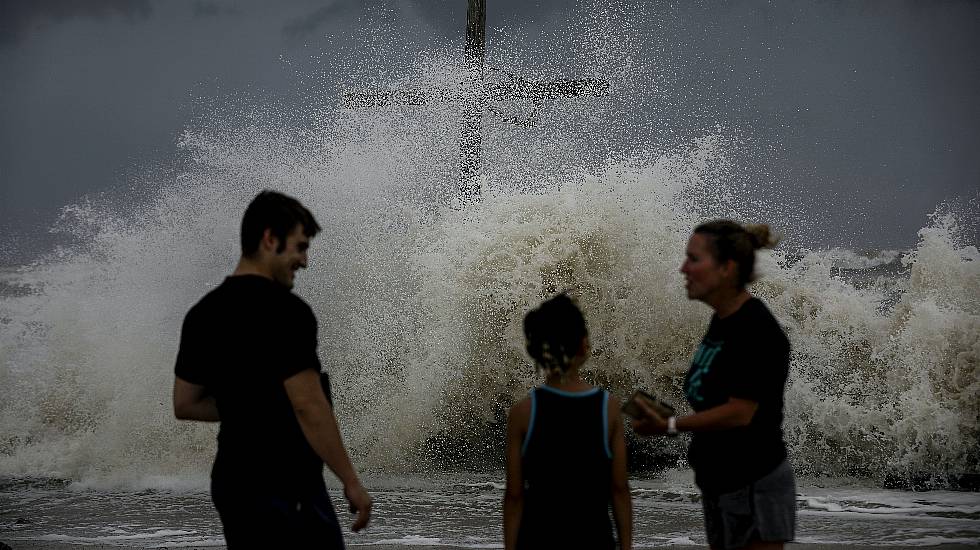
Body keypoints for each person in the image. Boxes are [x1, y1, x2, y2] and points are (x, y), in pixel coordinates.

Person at [172, 190, 371, 549]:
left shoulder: (203, 313)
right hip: (286, 484)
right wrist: (351, 482)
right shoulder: (287, 313)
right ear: (270, 239)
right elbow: (309, 406)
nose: (305, 260)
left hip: (232, 483)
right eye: (299, 246)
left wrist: (247, 404)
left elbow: (185, 404)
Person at [632, 220, 795, 550]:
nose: (683, 269)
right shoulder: (722, 320)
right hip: (722, 483)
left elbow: (740, 413)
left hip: (753, 484)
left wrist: (671, 424)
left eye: (693, 259)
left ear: (726, 268)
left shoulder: (754, 328)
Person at [504, 293, 632, 550]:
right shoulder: (608, 408)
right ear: (584, 345)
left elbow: (514, 496)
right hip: (594, 539)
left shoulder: (523, 412)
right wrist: (627, 546)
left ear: (538, 352)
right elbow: (619, 489)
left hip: (538, 538)